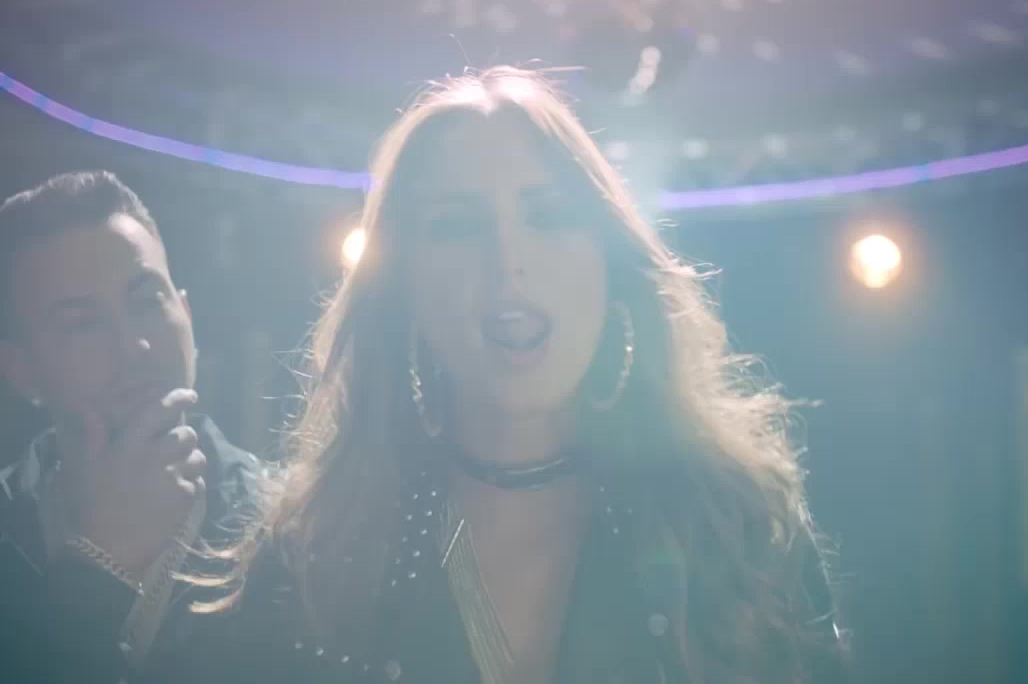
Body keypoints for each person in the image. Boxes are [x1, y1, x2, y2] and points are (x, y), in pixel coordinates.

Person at [61, 67, 851, 683]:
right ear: (404, 286)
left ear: (609, 262)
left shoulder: (737, 527)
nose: (509, 260)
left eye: (547, 215)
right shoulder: (309, 558)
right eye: (460, 226)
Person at [0, 171, 260, 680]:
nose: (134, 346)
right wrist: (101, 565)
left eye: (147, 302)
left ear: (186, 313)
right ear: (21, 369)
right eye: (82, 323)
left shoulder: (292, 526)